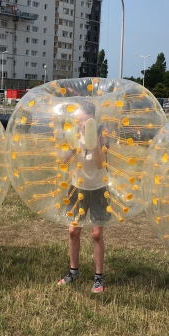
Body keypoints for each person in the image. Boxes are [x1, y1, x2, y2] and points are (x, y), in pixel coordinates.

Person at [57, 102, 109, 293]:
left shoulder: (103, 135)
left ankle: (98, 277)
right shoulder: (73, 135)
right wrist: (70, 143)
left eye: (84, 121)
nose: (80, 124)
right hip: (77, 187)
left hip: (98, 187)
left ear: (93, 120)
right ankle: (73, 271)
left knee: (96, 234)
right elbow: (65, 161)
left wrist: (93, 139)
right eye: (78, 121)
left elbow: (99, 163)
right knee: (73, 231)